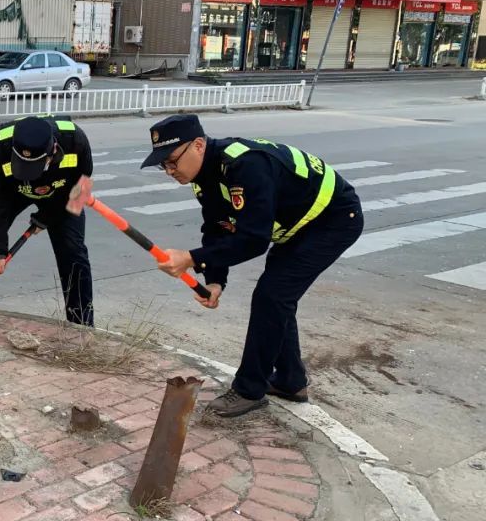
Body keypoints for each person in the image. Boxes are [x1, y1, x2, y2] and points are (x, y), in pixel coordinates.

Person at [139, 114, 363, 417]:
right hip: (298, 227)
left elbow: (254, 240)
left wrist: (190, 258)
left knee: (273, 295)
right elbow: (218, 228)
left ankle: (249, 390)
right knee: (277, 297)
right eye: (163, 166)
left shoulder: (246, 165)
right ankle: (290, 381)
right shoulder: (205, 176)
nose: (169, 171)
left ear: (199, 145)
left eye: (172, 161)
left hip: (333, 220)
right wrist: (215, 281)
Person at [0, 115, 95, 326]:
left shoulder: (75, 140)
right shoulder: (1, 144)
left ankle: (81, 320)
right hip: (14, 191)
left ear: (53, 151)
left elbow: (81, 188)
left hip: (61, 193)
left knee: (73, 251)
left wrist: (48, 217)